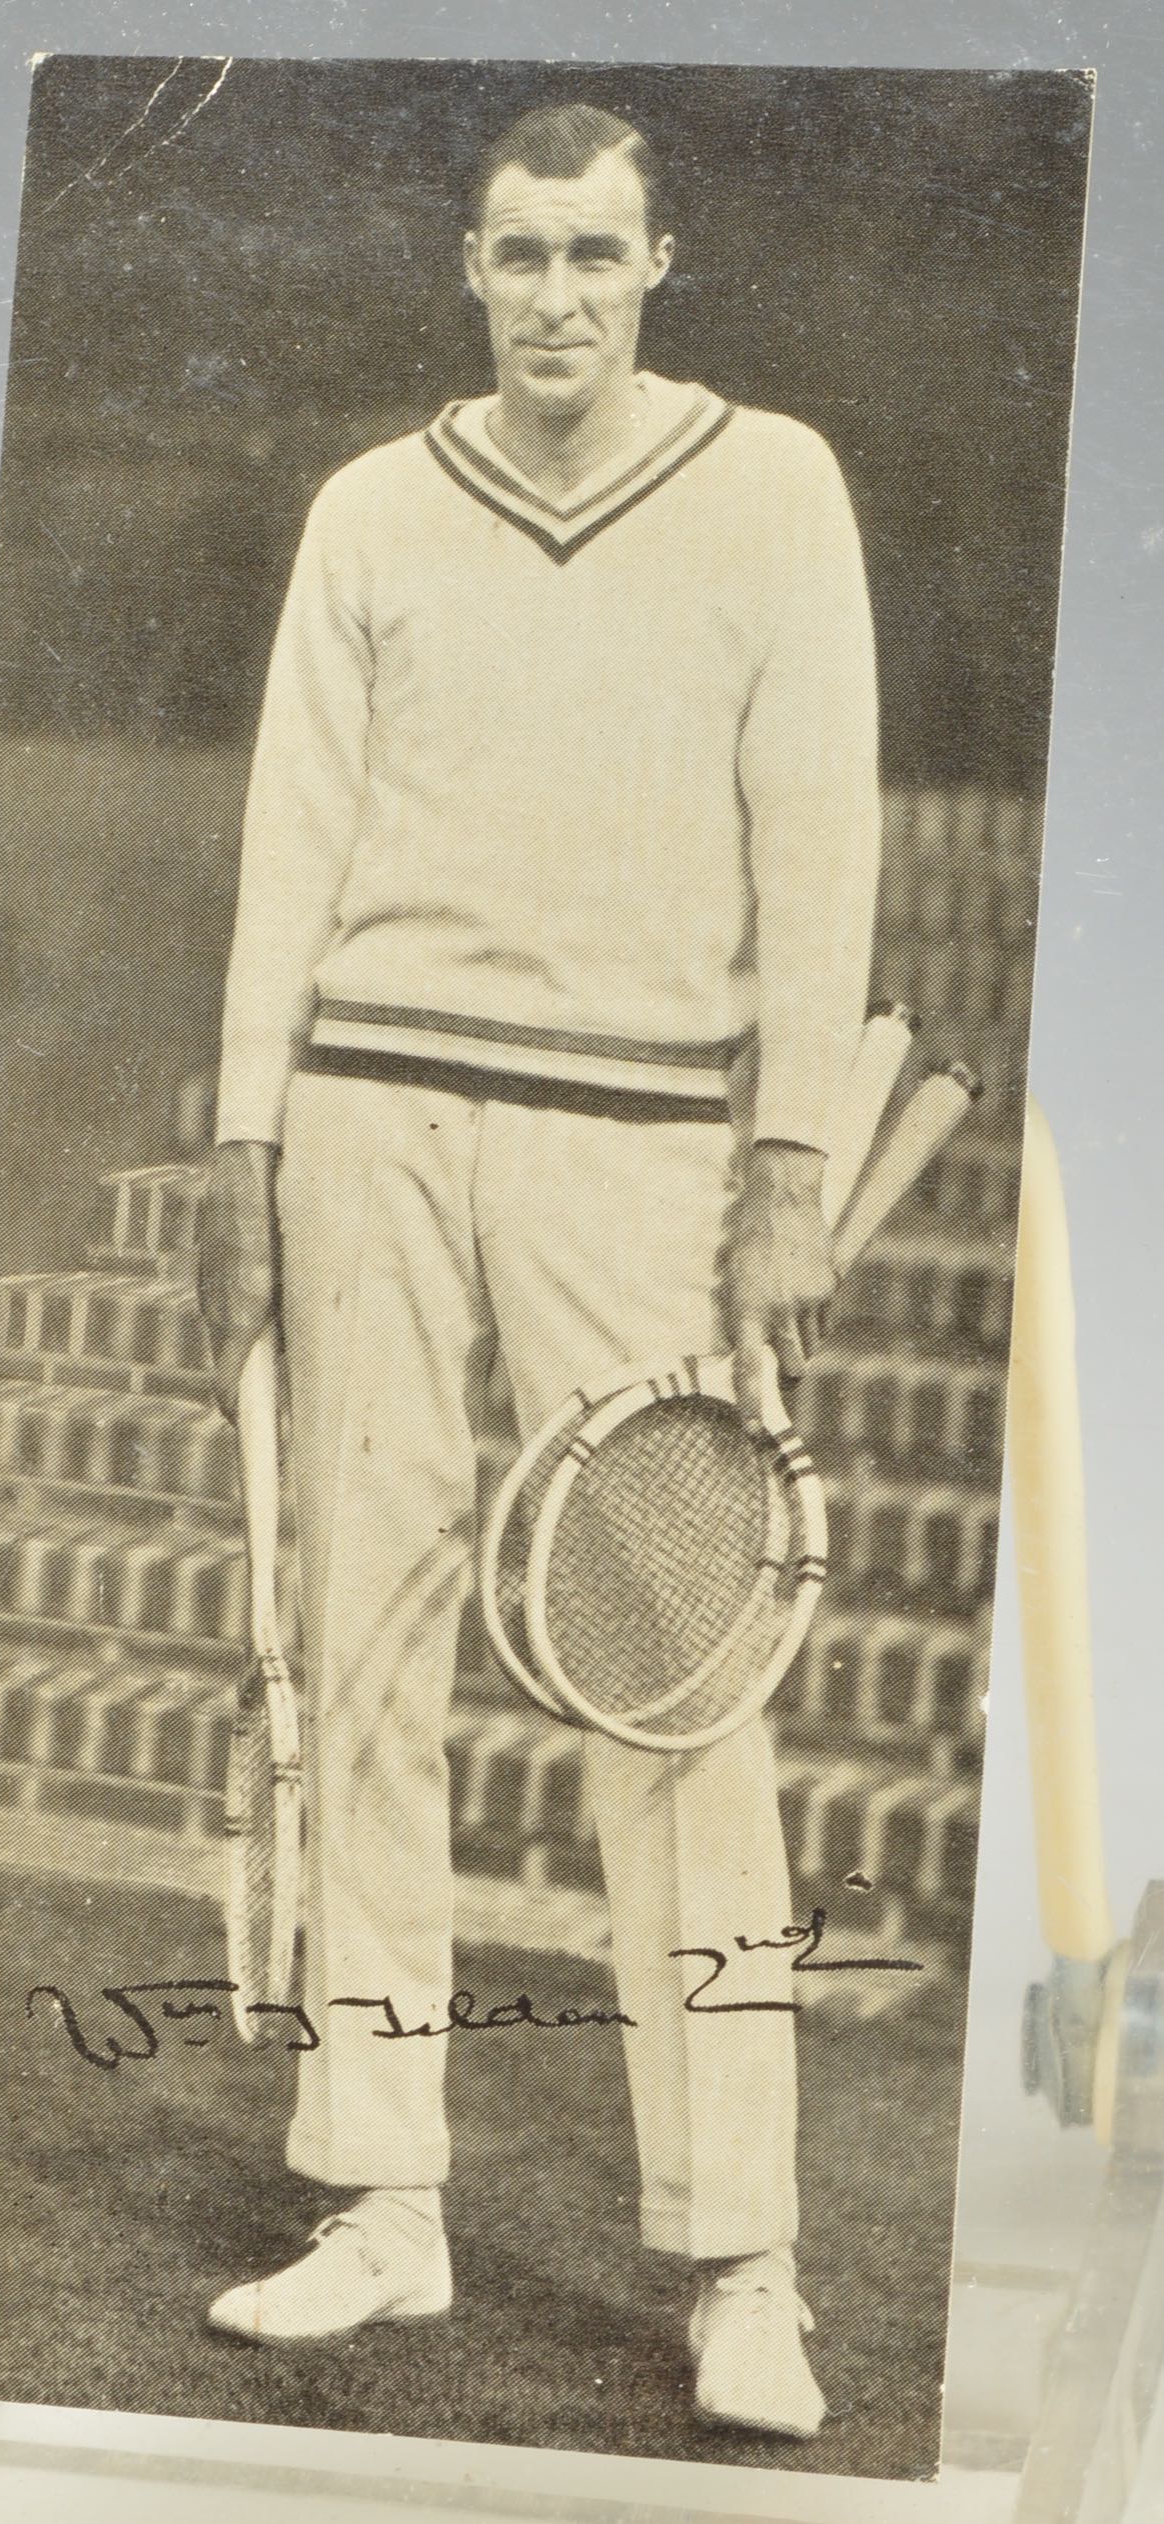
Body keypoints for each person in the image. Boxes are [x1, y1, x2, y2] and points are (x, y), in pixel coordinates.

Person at [197, 100, 880, 2441]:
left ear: (661, 258)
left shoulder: (772, 483)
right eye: (518, 253)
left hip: (639, 1146)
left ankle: (741, 2251)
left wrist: (785, 1149)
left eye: (596, 249)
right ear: (466, 269)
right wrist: (240, 1130)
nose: (556, 293)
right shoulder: (370, 508)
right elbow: (291, 832)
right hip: (371, 1112)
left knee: (675, 1687)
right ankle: (381, 2201)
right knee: (362, 1639)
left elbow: (819, 823)